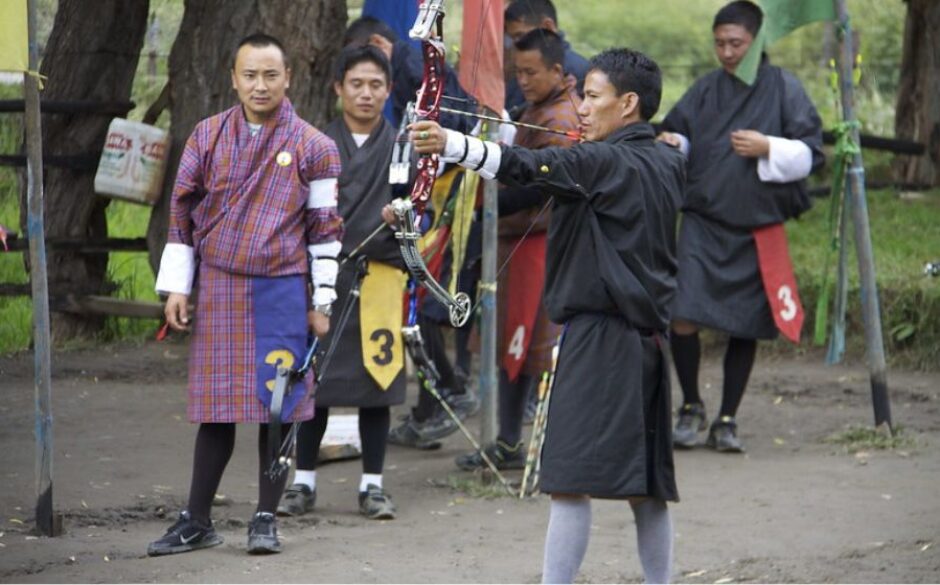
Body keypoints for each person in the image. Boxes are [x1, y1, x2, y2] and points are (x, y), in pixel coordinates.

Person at [401, 47, 684, 584]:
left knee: (568, 480)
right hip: (647, 341)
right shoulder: (667, 159)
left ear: (627, 104)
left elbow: (532, 166)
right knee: (646, 485)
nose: (580, 107)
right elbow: (559, 164)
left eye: (592, 97)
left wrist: (452, 143)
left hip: (602, 339)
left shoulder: (604, 161)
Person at [147, 33, 343, 556]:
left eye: (270, 75)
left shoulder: (315, 147)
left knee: (276, 406)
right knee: (216, 407)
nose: (260, 85)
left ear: (288, 79)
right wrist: (177, 287)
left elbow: (326, 230)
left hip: (282, 288)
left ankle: (264, 518)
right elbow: (181, 215)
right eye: (250, 75)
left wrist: (321, 303)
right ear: (233, 78)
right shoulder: (206, 136)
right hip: (219, 283)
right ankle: (197, 519)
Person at [657, 0, 824, 453]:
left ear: (756, 42)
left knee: (746, 324)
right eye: (720, 43)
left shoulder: (784, 88)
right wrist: (676, 142)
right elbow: (681, 133)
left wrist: (768, 145)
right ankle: (690, 405)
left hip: (757, 228)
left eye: (736, 43)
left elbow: (812, 153)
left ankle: (728, 418)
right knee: (683, 313)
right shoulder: (706, 89)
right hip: (702, 223)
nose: (727, 52)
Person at [278, 45, 406, 521]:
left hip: (380, 276)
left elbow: (422, 215)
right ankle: (303, 482)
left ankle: (372, 484)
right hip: (324, 279)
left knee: (379, 380)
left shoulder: (402, 148)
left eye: (376, 85)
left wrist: (403, 218)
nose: (366, 94)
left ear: (389, 90)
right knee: (316, 381)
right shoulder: (316, 144)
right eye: (356, 84)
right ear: (338, 88)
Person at [454, 28, 580, 472]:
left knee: (527, 345)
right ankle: (508, 440)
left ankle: (523, 440)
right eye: (518, 72)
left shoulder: (562, 116)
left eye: (532, 72)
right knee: (514, 342)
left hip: (537, 241)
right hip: (518, 237)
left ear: (558, 72)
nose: (523, 80)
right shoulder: (537, 109)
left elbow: (542, 182)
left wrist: (486, 207)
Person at [503, 0, 590, 113]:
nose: (516, 44)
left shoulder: (575, 70)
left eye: (521, 36)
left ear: (547, 27)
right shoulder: (521, 64)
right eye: (513, 38)